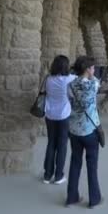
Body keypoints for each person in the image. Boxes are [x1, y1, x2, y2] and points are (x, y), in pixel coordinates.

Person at [66, 56, 103, 208]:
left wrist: (85, 72)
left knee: (75, 163)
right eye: (92, 67)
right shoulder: (93, 83)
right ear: (87, 69)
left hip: (74, 129)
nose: (94, 70)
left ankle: (71, 197)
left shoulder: (71, 84)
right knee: (91, 166)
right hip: (90, 130)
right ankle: (94, 199)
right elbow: (96, 82)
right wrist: (91, 74)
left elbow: (70, 100)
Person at [42, 55, 77, 185]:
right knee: (62, 145)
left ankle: (47, 175)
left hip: (50, 115)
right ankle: (58, 175)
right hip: (63, 116)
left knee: (51, 143)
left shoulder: (48, 79)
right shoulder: (69, 79)